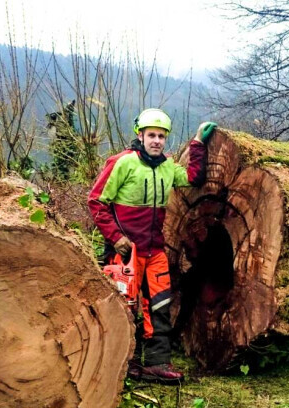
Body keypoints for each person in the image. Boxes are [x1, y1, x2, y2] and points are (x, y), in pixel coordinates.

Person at [87, 108, 216, 383]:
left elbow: (194, 178)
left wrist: (198, 143)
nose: (156, 140)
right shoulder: (122, 163)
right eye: (151, 135)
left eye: (161, 136)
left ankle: (158, 362)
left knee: (160, 305)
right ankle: (125, 362)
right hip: (126, 252)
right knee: (125, 307)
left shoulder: (168, 166)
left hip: (155, 250)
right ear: (140, 135)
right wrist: (116, 238)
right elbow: (96, 201)